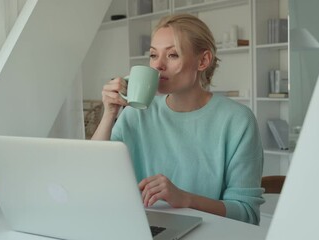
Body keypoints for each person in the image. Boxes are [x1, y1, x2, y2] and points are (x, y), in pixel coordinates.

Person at [91, 13, 264, 225]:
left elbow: (246, 213)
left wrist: (185, 198)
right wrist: (109, 114)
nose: (157, 66)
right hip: (140, 227)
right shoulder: (137, 112)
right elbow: (93, 175)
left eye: (172, 55)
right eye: (153, 55)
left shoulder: (237, 121)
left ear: (203, 61)